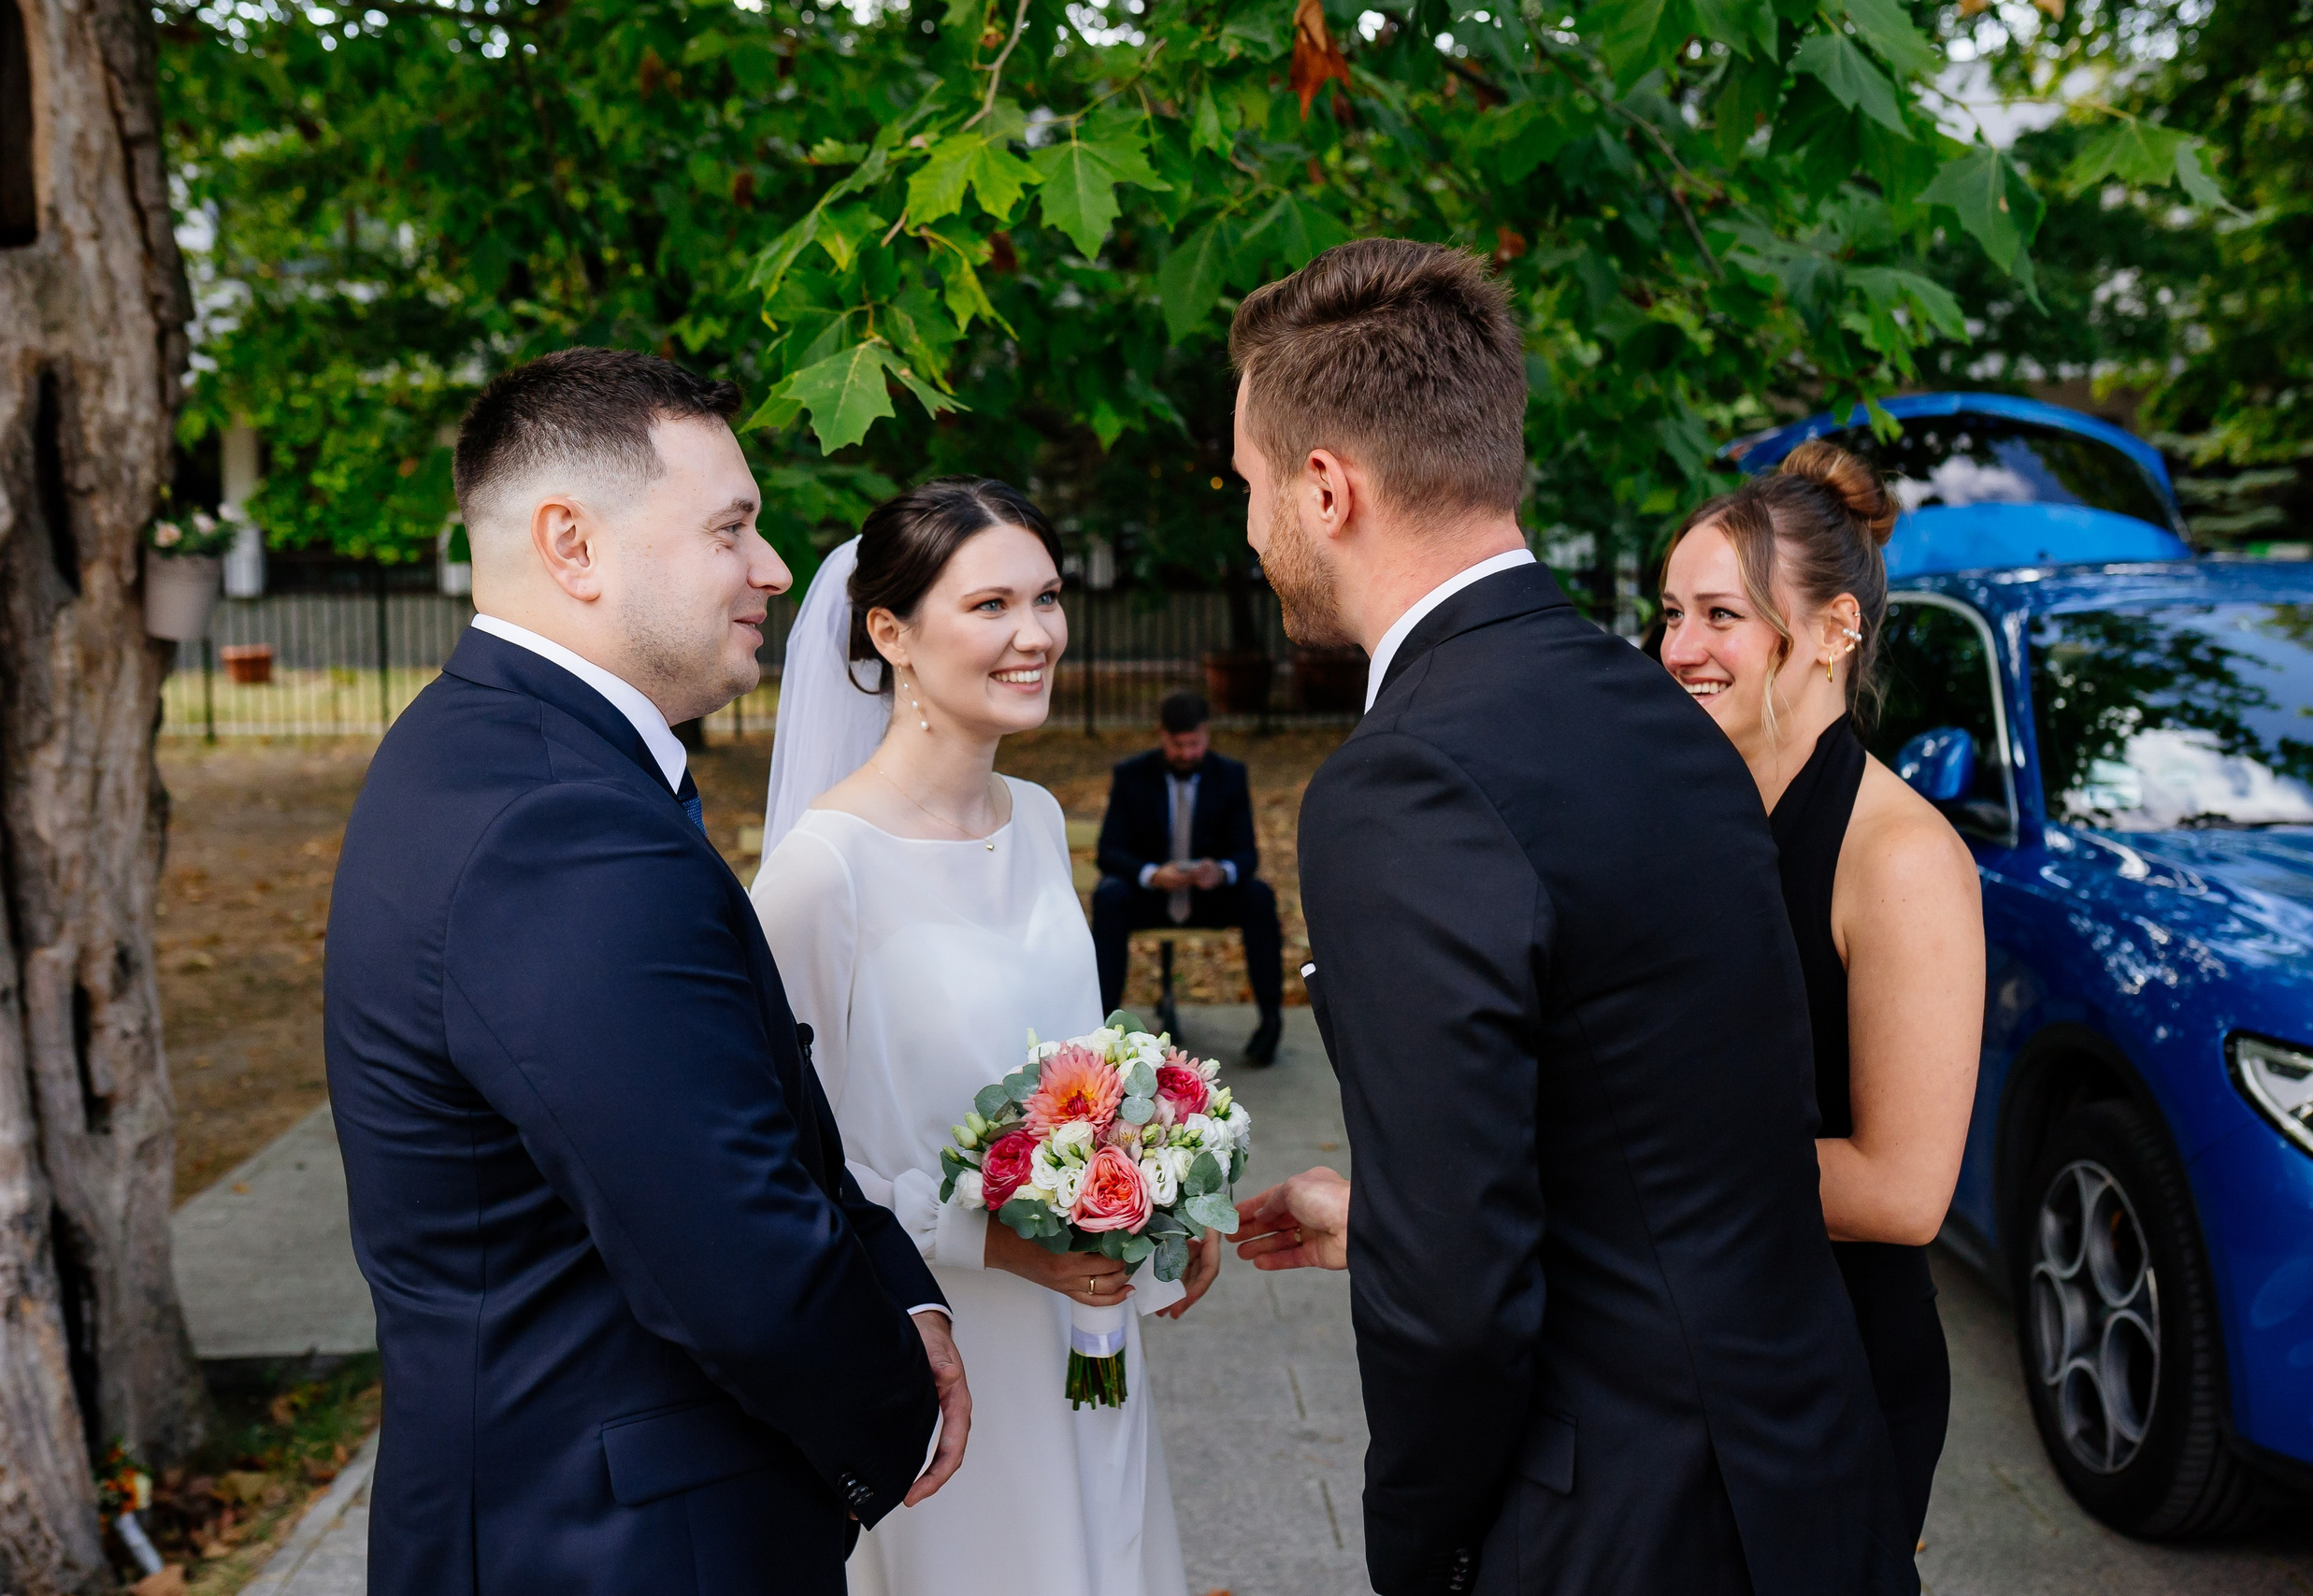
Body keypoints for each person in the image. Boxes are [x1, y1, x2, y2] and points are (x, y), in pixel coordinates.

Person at [1225, 239, 1916, 1596]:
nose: (1249, 531)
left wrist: (1425, 1552)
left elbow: (1457, 1300)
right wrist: (1388, 1217)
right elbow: (1660, 1125)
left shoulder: (1403, 781)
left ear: (1326, 487)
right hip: (1809, 1472)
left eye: (1250, 486)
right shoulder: (1657, 708)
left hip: (1618, 1524)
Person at [323, 348, 969, 1595]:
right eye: (731, 528)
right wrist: (893, 1410)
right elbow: (727, 1243)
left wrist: (898, 1283)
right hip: (620, 1541)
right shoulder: (556, 823)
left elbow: (738, 1098)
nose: (774, 568)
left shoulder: (492, 747)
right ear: (574, 545)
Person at [748, 479, 1216, 1596]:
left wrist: (1164, 1191)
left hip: (1086, 1330)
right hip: (948, 1343)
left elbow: (1080, 1067)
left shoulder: (1042, 820)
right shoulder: (822, 872)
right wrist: (1000, 1246)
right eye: (991, 605)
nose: (1036, 634)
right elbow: (785, 1161)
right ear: (890, 633)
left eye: (1046, 597)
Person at [1657, 439, 1986, 1550]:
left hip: (1827, 1377)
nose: (1679, 648)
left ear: (1835, 630)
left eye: (1720, 616)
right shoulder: (1689, 815)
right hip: (1676, 1353)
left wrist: (1619, 1164)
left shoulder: (1902, 858)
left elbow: (1901, 1191)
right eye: (1672, 614)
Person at [1091, 690, 1285, 1062]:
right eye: (1177, 745)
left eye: (1194, 744)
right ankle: (1101, 1027)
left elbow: (1247, 855)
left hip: (1208, 898)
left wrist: (1221, 871)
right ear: (1162, 734)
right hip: (1150, 898)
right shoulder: (1132, 776)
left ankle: (1270, 1022)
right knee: (1109, 895)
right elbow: (1109, 852)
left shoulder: (1230, 775)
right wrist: (1151, 874)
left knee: (1258, 896)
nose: (1186, 753)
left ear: (1207, 733)